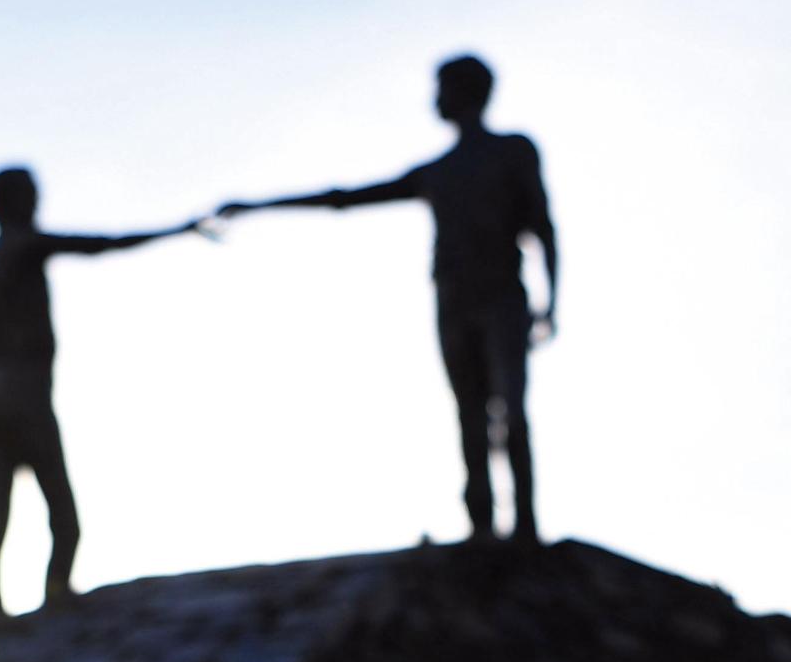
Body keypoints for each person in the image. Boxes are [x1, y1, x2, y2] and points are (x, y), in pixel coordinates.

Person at [223, 54, 557, 545]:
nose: (435, 98)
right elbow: (345, 198)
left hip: (502, 296)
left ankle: (524, 524)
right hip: (453, 300)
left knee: (508, 408)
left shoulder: (512, 152)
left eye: (442, 88)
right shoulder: (437, 172)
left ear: (465, 93)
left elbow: (543, 226)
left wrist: (551, 300)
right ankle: (482, 524)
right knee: (469, 410)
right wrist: (258, 205)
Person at [0, 167, 203, 626]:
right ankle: (55, 598)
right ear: (14, 202)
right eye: (31, 195)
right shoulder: (21, 248)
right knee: (63, 514)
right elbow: (101, 245)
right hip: (22, 396)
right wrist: (179, 229)